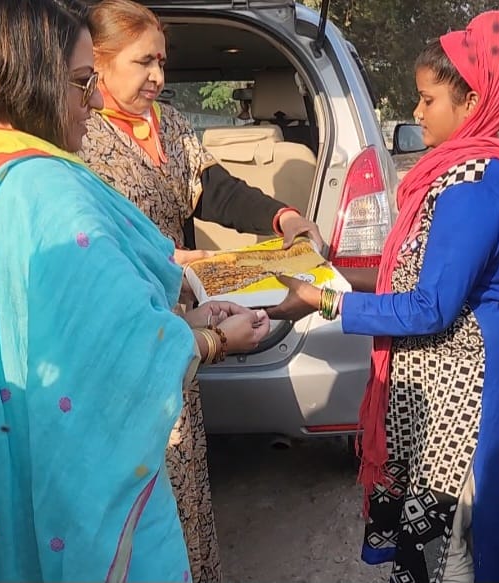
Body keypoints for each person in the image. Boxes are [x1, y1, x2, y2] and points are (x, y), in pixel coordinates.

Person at [0, 0, 268, 581]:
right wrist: (215, 339)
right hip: (74, 487)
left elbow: (46, 325)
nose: (92, 99)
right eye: (79, 80)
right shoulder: (50, 188)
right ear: (32, 78)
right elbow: (118, 352)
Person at [271, 11, 499, 583]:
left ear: (471, 102)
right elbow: (416, 277)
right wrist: (335, 279)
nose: (417, 113)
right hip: (454, 369)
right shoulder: (460, 171)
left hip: (466, 382)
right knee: (452, 537)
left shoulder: (474, 180)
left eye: (428, 100)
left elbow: (430, 306)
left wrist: (325, 303)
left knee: (450, 541)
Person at [77, 2, 321, 579]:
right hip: (116, 328)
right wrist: (161, 259)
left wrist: (283, 218)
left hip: (179, 321)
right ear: (100, 62)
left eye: (162, 61)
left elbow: (214, 190)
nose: (158, 77)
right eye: (144, 63)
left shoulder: (169, 124)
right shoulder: (75, 135)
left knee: (182, 465)